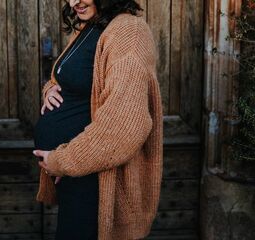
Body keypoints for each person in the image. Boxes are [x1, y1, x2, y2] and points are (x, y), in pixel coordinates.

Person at [32, 0, 163, 239]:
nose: (74, 2)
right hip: (76, 175)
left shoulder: (128, 32)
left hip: (99, 181)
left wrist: (62, 160)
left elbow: (125, 126)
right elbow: (67, 77)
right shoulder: (90, 27)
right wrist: (50, 88)